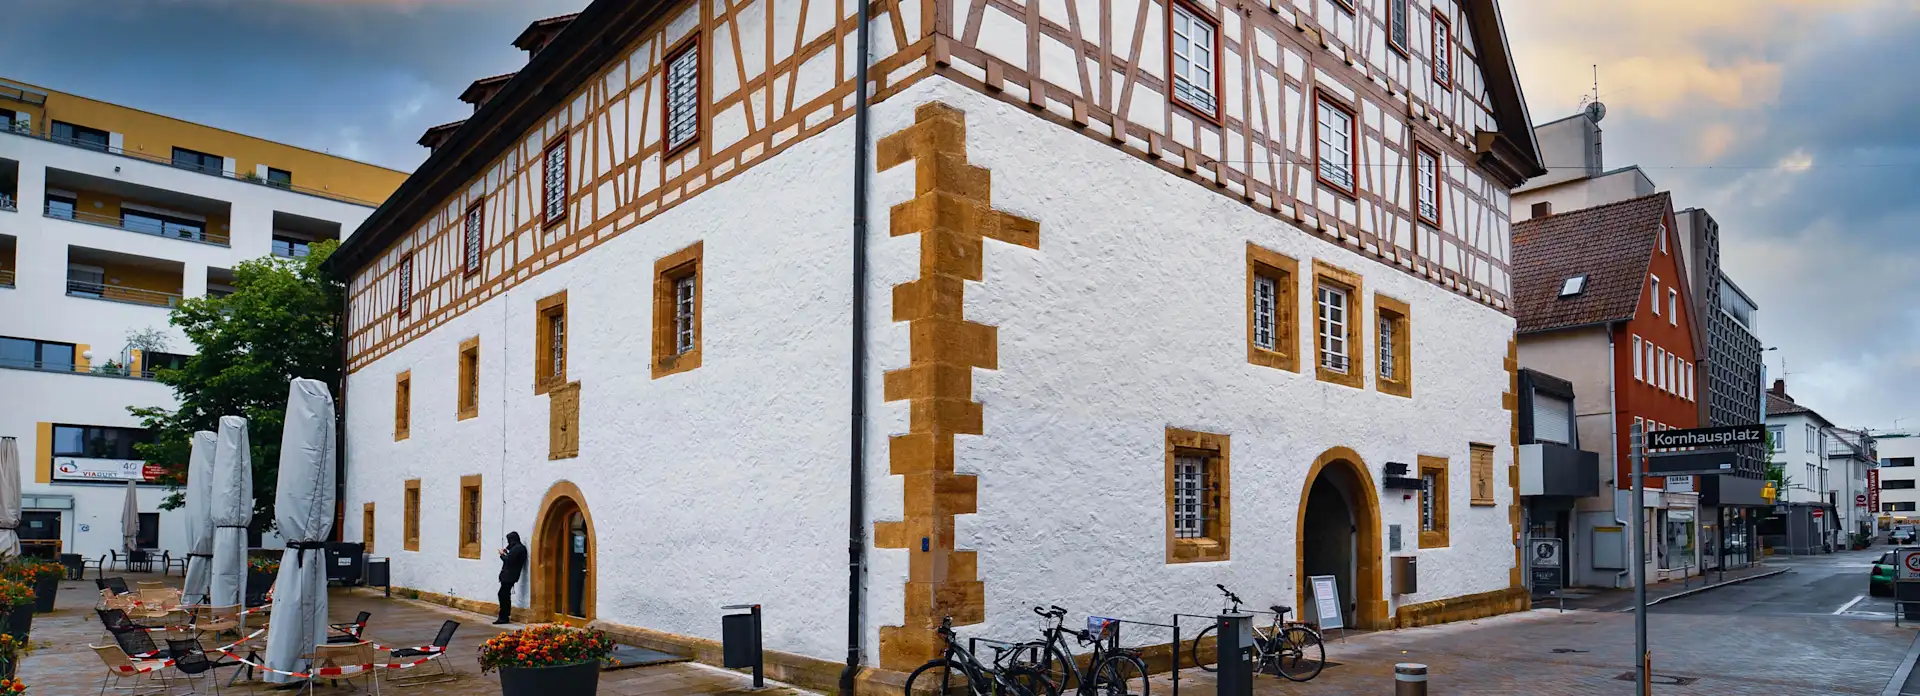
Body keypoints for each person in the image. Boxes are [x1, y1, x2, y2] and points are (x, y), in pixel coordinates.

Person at [496, 532, 528, 624]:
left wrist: (502, 554)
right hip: (509, 575)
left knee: (503, 595)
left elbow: (508, 560)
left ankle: (504, 617)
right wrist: (507, 550)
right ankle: (504, 616)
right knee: (504, 595)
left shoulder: (518, 548)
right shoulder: (517, 548)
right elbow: (512, 555)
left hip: (509, 576)